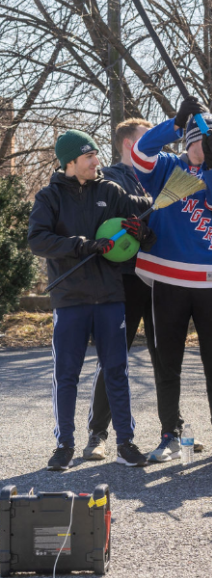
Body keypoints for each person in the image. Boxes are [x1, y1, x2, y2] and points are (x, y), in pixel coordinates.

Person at [131, 98, 212, 462]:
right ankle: (170, 434)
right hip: (167, 277)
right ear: (190, 140)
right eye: (203, 139)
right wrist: (176, 123)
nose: (207, 146)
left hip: (211, 281)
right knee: (168, 361)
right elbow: (140, 152)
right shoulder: (166, 166)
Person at [28, 129, 153, 470]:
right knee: (66, 374)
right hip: (70, 300)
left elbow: (144, 215)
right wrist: (82, 245)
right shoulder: (49, 197)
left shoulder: (110, 190)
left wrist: (140, 229)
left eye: (96, 155)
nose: (97, 161)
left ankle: (126, 442)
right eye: (89, 157)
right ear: (71, 162)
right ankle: (64, 445)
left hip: (111, 297)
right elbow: (38, 240)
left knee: (117, 371)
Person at [82, 118, 159, 462]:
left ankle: (172, 432)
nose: (155, 142)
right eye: (147, 137)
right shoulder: (110, 179)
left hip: (161, 278)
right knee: (114, 359)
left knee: (165, 359)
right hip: (126, 279)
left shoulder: (161, 175)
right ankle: (97, 435)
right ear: (129, 144)